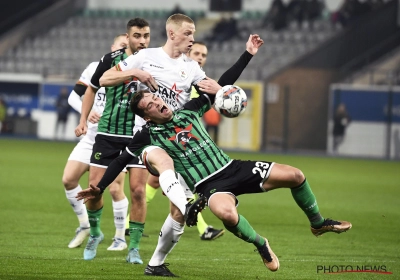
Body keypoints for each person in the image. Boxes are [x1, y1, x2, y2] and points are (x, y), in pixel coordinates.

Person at [78, 88, 352, 277]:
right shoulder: (148, 135)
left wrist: (248, 54)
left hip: (234, 167)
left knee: (296, 175)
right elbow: (120, 161)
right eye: (149, 105)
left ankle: (318, 223)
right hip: (210, 186)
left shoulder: (189, 110)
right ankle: (260, 243)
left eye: (155, 98)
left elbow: (219, 89)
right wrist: (99, 187)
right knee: (225, 213)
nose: (157, 103)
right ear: (147, 116)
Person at [92, 14, 264, 274]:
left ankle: (156, 263)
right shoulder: (145, 57)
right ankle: (187, 200)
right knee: (163, 161)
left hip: (176, 139)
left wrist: (247, 55)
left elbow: (217, 85)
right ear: (172, 34)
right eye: (188, 34)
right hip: (148, 136)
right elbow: (103, 79)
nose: (192, 39)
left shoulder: (191, 68)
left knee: (177, 216)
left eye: (194, 34)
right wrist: (134, 72)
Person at [74, 18, 156, 263]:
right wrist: (83, 119)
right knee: (94, 190)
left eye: (146, 36)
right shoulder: (111, 60)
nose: (142, 41)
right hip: (108, 133)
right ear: (128, 37)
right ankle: (96, 233)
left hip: (140, 136)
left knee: (139, 192)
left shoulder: (155, 60)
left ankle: (134, 248)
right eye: (137, 36)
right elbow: (93, 86)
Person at [144, 41, 224, 241]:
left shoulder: (198, 79)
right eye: (196, 52)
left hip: (183, 140)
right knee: (172, 186)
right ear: (187, 52)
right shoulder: (181, 75)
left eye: (204, 55)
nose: (200, 57)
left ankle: (130, 224)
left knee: (159, 184)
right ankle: (201, 229)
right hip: (167, 139)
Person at [62, 34, 129, 250]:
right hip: (91, 137)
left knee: (115, 189)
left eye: (127, 48)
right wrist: (87, 113)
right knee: (69, 179)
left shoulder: (133, 71)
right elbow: (74, 97)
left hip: (115, 137)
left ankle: (119, 237)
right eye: (121, 46)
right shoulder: (95, 67)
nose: (123, 51)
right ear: (112, 48)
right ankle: (85, 226)